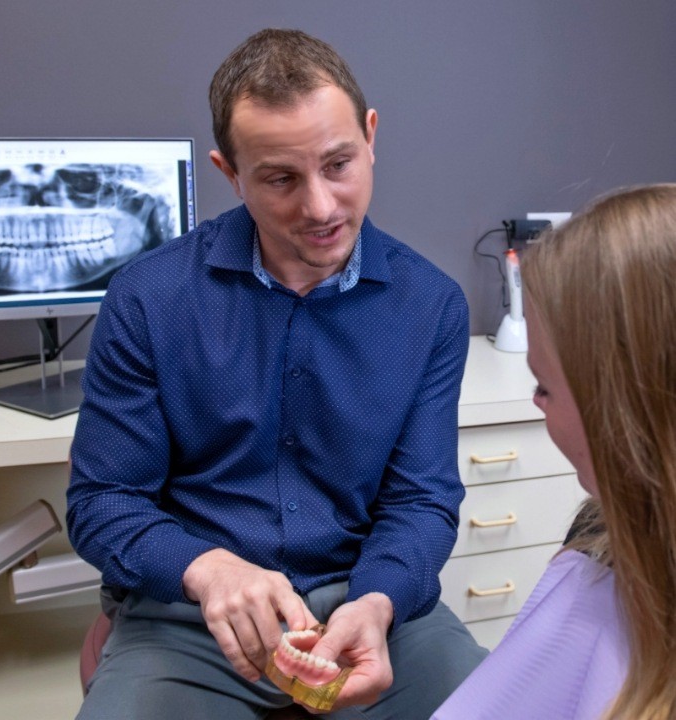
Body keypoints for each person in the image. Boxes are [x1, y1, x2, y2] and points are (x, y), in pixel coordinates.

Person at [67, 28, 486, 719]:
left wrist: (378, 602)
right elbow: (102, 501)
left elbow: (420, 502)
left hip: (371, 613)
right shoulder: (147, 300)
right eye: (280, 179)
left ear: (370, 134)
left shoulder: (431, 305)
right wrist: (207, 570)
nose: (320, 207)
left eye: (338, 165)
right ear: (229, 172)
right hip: (192, 622)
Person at [432, 184, 676, 720]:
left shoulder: (594, 590)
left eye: (543, 387)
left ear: (621, 411)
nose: (537, 405)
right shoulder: (601, 546)